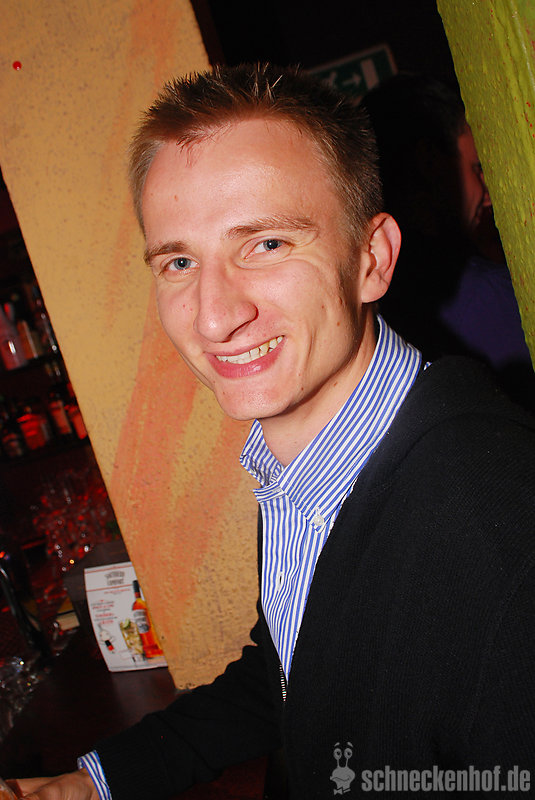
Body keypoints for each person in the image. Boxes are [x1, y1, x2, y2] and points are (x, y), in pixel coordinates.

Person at [12, 64, 535, 800]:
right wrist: (90, 783)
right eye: (180, 261)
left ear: (371, 259)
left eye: (266, 245)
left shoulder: (499, 529)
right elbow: (292, 668)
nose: (214, 316)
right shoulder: (315, 462)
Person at [361, 73, 535, 409]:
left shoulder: (369, 300)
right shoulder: (490, 294)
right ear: (430, 161)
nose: (489, 194)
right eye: (476, 168)